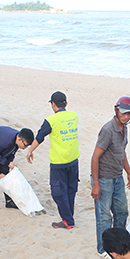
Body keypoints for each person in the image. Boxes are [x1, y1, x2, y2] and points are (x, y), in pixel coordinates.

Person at [91, 96, 130, 256]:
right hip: (103, 179)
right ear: (116, 110)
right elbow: (95, 157)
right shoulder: (108, 130)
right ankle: (103, 249)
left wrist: (129, 173)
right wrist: (95, 184)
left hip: (117, 177)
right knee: (104, 217)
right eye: (123, 113)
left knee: (122, 212)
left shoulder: (124, 128)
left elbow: (121, 152)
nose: (126, 117)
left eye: (129, 114)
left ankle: (119, 244)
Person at [26, 91, 79, 229]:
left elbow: (40, 137)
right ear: (66, 104)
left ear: (53, 104)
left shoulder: (50, 120)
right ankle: (69, 217)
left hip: (59, 162)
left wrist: (30, 150)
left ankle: (68, 221)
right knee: (70, 190)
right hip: (73, 159)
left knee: (58, 192)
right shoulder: (74, 116)